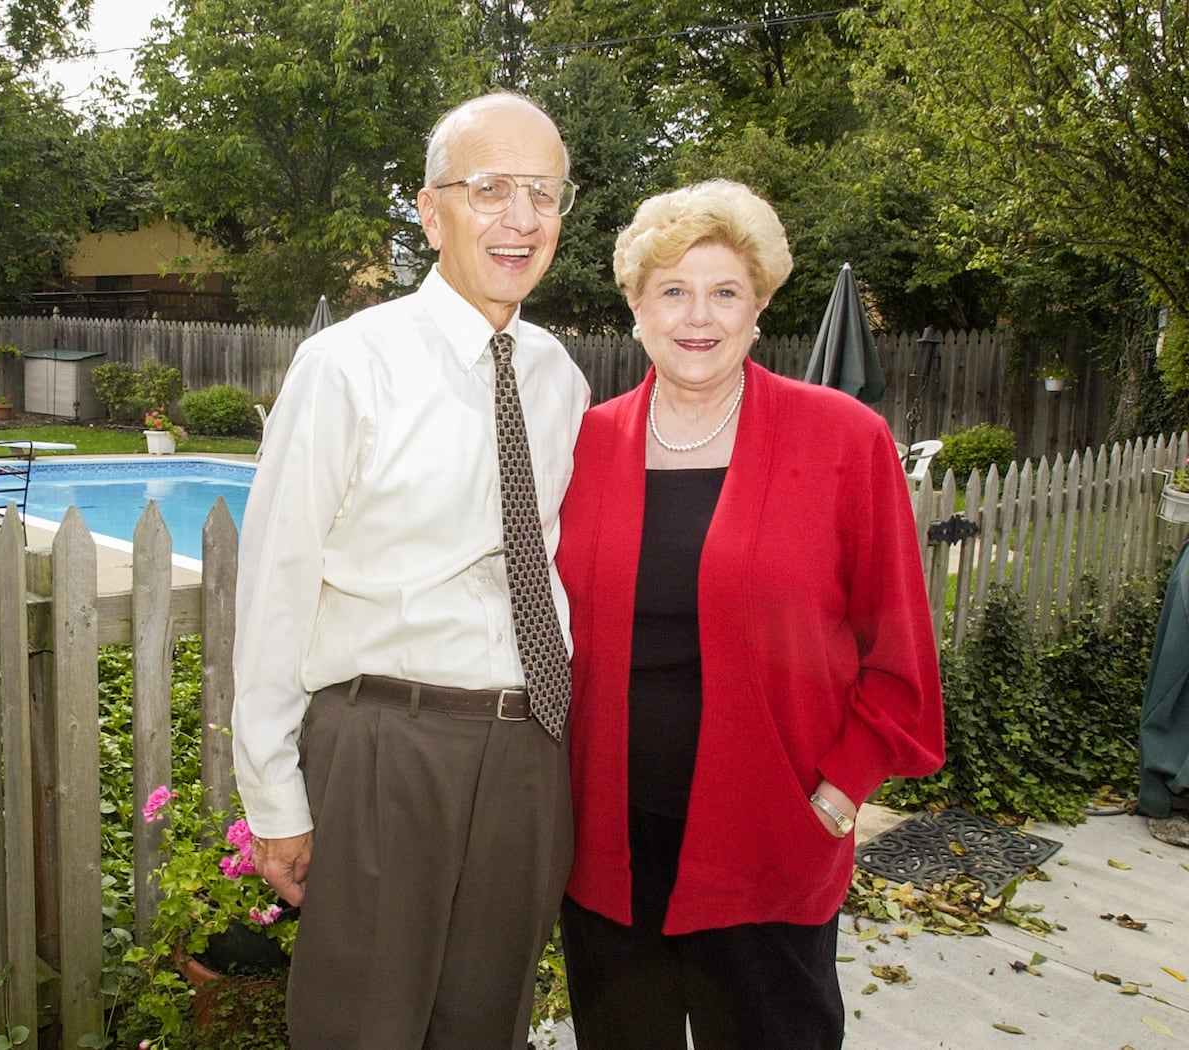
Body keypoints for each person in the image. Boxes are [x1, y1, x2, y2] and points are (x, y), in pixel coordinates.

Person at [230, 91, 590, 1050]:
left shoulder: (561, 375)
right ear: (431, 213)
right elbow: (275, 585)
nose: (520, 218)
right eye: (491, 189)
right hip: (388, 744)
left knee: (489, 1024)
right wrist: (274, 797)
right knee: (364, 1029)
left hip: (527, 749)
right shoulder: (348, 366)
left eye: (543, 194)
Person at [554, 179, 945, 1049]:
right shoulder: (585, 444)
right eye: (674, 291)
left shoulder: (843, 440)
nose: (700, 316)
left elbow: (901, 654)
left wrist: (839, 794)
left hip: (769, 840)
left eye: (725, 291)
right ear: (637, 309)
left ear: (760, 306)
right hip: (611, 846)